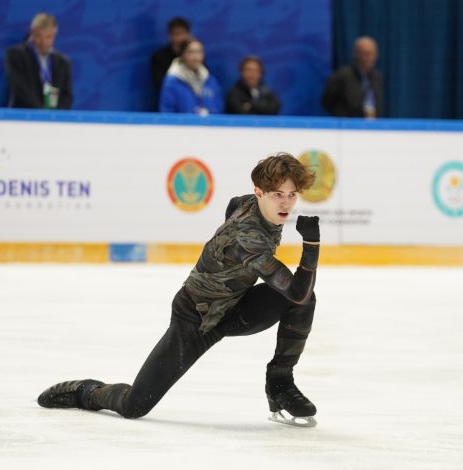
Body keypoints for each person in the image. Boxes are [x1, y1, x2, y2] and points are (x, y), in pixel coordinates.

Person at [38, 153, 321, 427]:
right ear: (259, 192)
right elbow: (295, 290)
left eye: (291, 194)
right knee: (134, 405)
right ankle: (86, 392)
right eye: (277, 195)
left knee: (306, 299)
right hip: (195, 320)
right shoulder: (249, 238)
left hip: (234, 308)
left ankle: (280, 382)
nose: (286, 203)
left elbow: (232, 205)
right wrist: (311, 245)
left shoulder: (245, 203)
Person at [4, 13, 72, 109]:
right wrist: (41, 113)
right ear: (32, 33)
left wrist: (54, 116)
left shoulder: (62, 62)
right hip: (23, 117)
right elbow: (19, 88)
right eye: (39, 36)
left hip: (52, 120)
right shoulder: (16, 55)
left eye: (48, 37)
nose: (43, 42)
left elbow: (66, 96)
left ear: (54, 36)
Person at [322, 36, 384, 118]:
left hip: (372, 127)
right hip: (347, 126)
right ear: (356, 54)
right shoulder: (342, 76)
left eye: (371, 54)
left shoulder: (377, 78)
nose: (368, 58)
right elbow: (326, 101)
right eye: (365, 54)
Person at [159, 38, 223, 115]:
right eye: (191, 52)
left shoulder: (210, 81)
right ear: (182, 55)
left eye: (199, 52)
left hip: (208, 126)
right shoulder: (172, 82)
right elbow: (167, 112)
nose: (196, 57)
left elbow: (219, 109)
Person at [150, 17, 192, 92]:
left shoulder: (196, 55)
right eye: (175, 34)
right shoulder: (159, 57)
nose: (179, 38)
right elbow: (161, 85)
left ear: (188, 34)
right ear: (169, 35)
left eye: (182, 33)